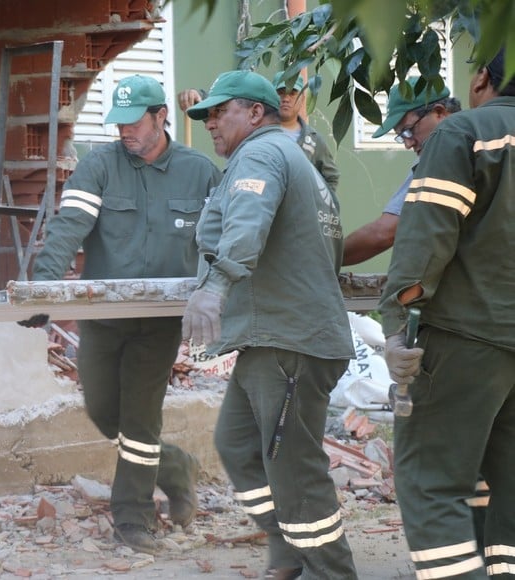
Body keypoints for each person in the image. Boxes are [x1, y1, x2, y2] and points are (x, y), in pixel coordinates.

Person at [28, 74, 223, 555]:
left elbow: (224, 242)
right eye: (117, 125)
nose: (124, 133)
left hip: (158, 325)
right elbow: (67, 226)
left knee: (138, 417)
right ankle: (176, 467)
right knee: (102, 410)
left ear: (161, 117)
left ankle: (133, 520)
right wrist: (43, 290)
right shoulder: (99, 166)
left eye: (134, 123)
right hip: (105, 318)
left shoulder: (200, 174)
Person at [182, 70, 357, 579]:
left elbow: (245, 225)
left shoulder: (259, 156)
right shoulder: (293, 159)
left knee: (295, 472)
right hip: (278, 338)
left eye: (220, 112)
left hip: (287, 343)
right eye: (207, 115)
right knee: (237, 444)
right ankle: (287, 552)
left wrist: (215, 288)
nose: (211, 122)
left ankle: (332, 572)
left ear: (255, 113)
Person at [379, 47, 514, 579]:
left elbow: (423, 246)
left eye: (409, 128)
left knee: (429, 482)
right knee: (506, 485)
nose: (409, 139)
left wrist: (397, 328)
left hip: (466, 339)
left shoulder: (465, 135)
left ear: (481, 77)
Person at [342, 78, 461, 266]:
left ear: (439, 112)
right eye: (401, 136)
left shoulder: (439, 158)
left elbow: (383, 233)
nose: (408, 143)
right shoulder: (481, 140)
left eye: (408, 130)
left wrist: (325, 258)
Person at [178, 71, 339, 192]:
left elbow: (331, 177)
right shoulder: (254, 130)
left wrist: (319, 208)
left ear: (302, 99)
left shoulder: (313, 140)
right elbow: (227, 112)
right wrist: (199, 96)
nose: (286, 99)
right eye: (281, 93)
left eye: (292, 93)